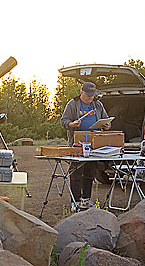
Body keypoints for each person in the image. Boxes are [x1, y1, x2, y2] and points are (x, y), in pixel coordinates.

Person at [60, 82, 111, 211]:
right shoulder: (73, 104)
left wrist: (106, 125)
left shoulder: (98, 104)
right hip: (78, 142)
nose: (90, 98)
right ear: (81, 92)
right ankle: (75, 201)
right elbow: (63, 121)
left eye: (92, 96)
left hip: (94, 142)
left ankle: (86, 200)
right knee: (76, 172)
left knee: (90, 171)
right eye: (88, 95)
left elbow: (106, 119)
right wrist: (72, 124)